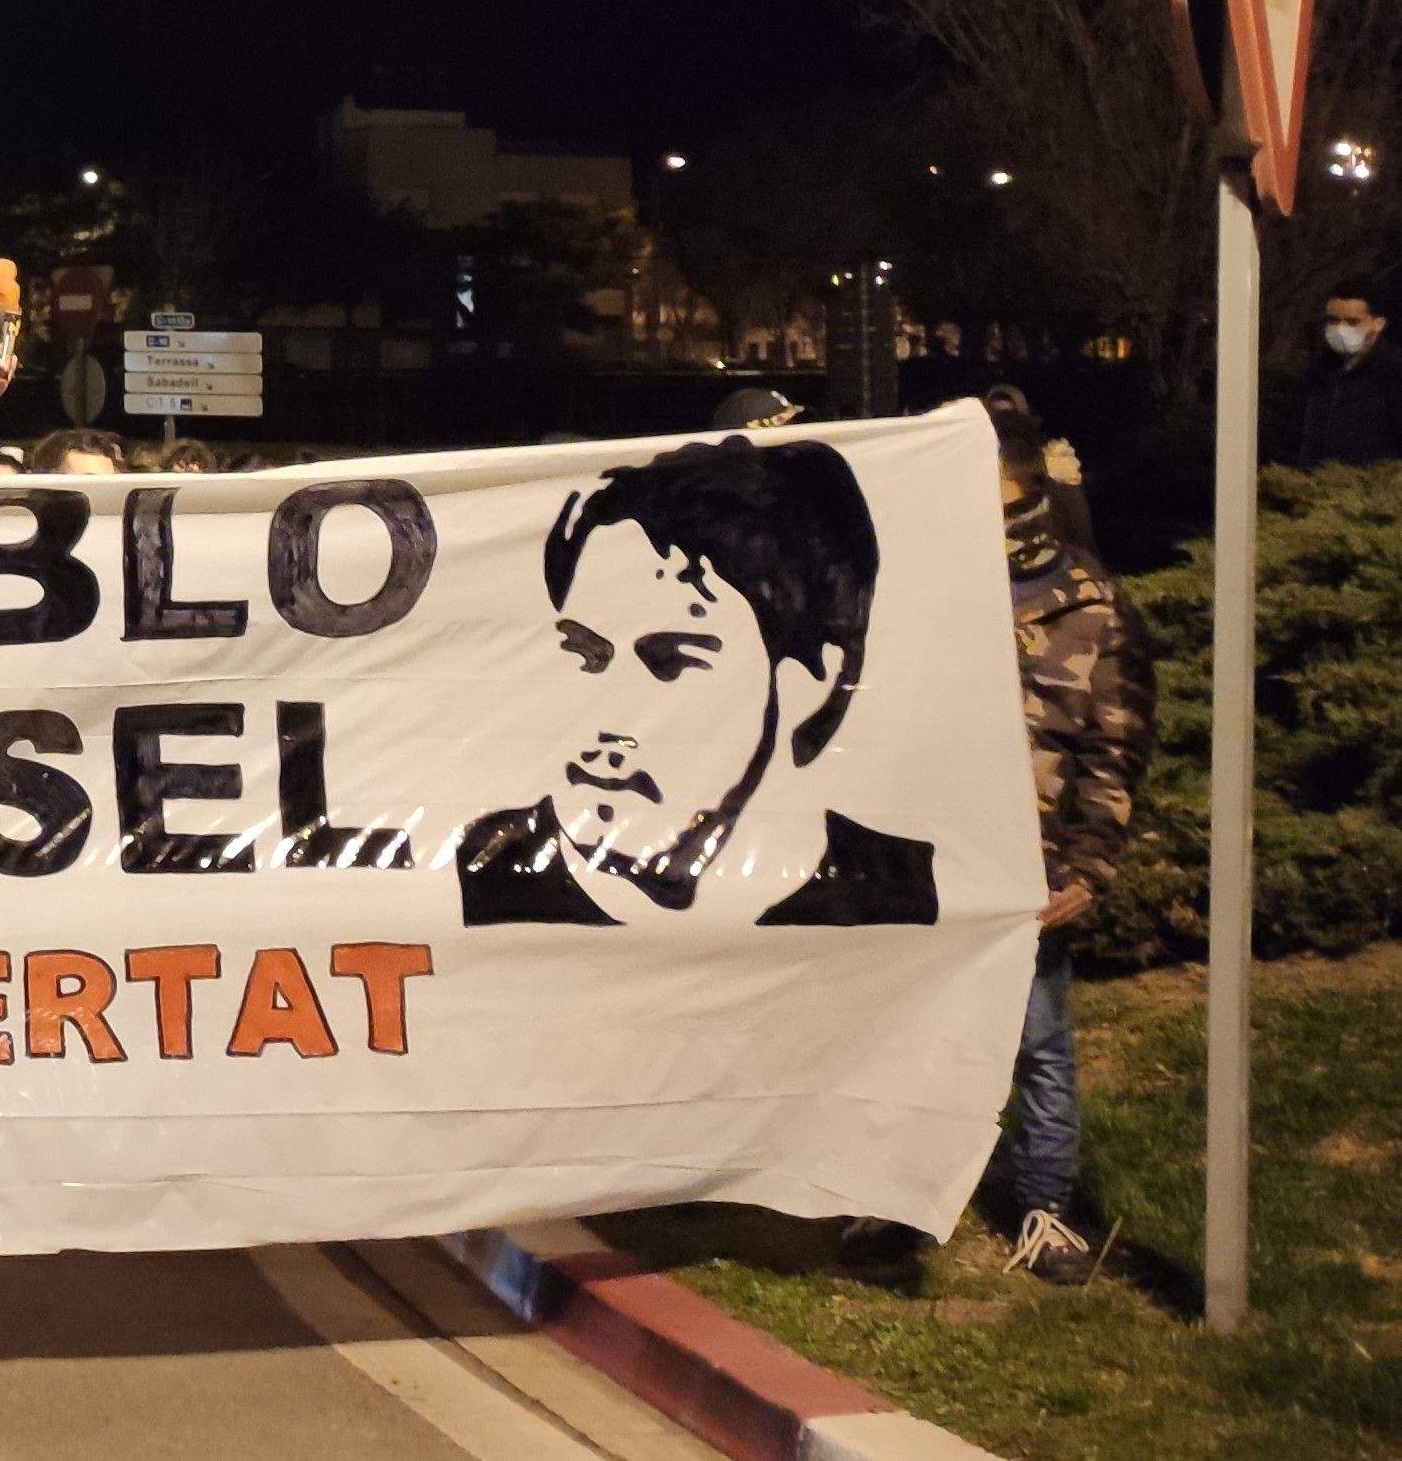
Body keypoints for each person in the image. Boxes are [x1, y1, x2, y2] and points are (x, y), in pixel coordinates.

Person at [459, 434, 920, 930]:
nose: (610, 720)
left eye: (670, 664)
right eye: (586, 655)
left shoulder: (912, 900)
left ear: (809, 687)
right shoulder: (465, 877)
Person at [996, 410, 1145, 1285]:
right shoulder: (933, 585)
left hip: (1037, 859)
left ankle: (1043, 1208)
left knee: (1038, 1040)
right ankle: (905, 1192)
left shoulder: (1089, 606)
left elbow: (1113, 746)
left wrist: (1091, 867)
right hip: (935, 861)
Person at [1299, 283, 1402, 465]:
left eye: (1353, 322)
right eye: (1333, 321)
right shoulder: (1320, 372)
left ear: (1378, 324)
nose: (1340, 329)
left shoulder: (1394, 373)